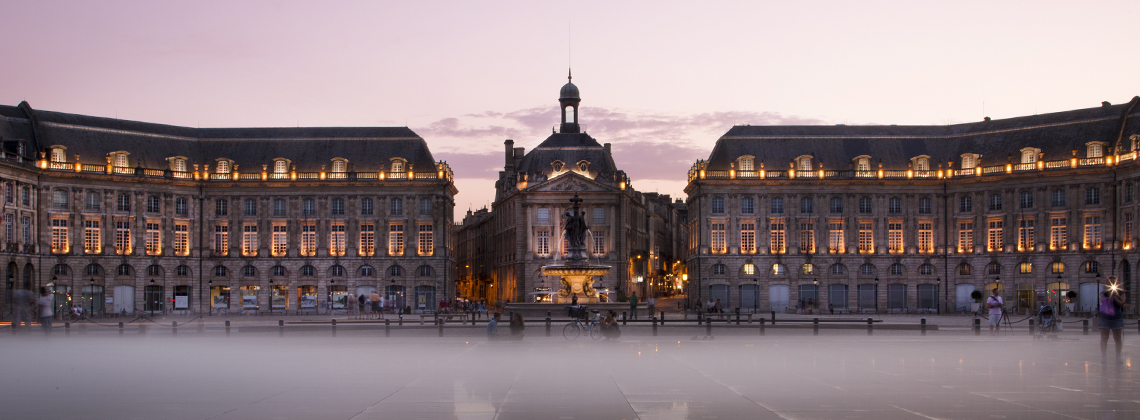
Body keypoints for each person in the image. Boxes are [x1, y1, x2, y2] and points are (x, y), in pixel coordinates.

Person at [1099, 287, 1127, 364]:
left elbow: (1121, 303)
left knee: (1117, 338)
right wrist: (1111, 296)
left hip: (1117, 318)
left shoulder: (1121, 292)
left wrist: (1115, 297)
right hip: (1105, 318)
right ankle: (1103, 355)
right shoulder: (1104, 293)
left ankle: (1118, 355)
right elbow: (1104, 302)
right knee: (1104, 337)